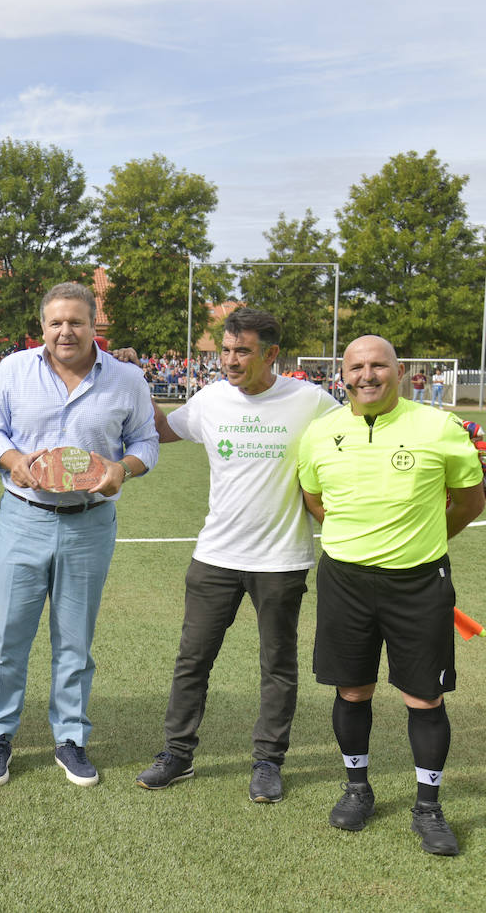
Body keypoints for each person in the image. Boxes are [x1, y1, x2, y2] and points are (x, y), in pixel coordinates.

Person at [133, 308, 339, 802]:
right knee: (192, 660)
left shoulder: (311, 401)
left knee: (277, 665)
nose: (229, 360)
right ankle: (177, 755)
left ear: (271, 355)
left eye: (241, 351)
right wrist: (132, 379)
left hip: (282, 559)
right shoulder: (210, 400)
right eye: (225, 350)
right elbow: (162, 429)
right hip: (216, 556)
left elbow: (356, 436)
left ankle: (268, 761)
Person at [297, 335, 484, 856]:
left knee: (424, 697)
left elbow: (470, 503)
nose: (367, 376)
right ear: (342, 374)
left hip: (419, 582)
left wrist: (421, 540)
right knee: (352, 689)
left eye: (379, 365)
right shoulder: (320, 433)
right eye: (357, 367)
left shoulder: (438, 428)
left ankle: (428, 806)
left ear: (400, 372)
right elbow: (315, 499)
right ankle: (357, 788)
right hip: (345, 582)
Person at [0, 282, 158, 787]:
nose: (65, 331)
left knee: (75, 641)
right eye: (56, 322)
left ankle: (71, 738)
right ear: (42, 327)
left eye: (76, 322)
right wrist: (14, 461)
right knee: (8, 636)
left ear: (94, 325)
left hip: (90, 522)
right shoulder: (14, 370)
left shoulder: (126, 378)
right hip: (24, 516)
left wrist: (125, 468)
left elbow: (146, 439)